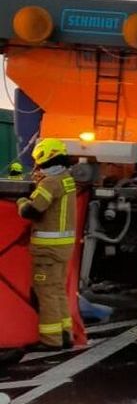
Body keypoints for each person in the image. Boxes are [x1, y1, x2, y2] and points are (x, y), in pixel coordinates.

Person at [15, 138, 77, 349]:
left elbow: (32, 210)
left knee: (46, 293)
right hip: (61, 249)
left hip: (47, 251)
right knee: (57, 290)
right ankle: (65, 335)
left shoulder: (50, 182)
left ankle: (51, 340)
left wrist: (22, 201)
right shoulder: (66, 178)